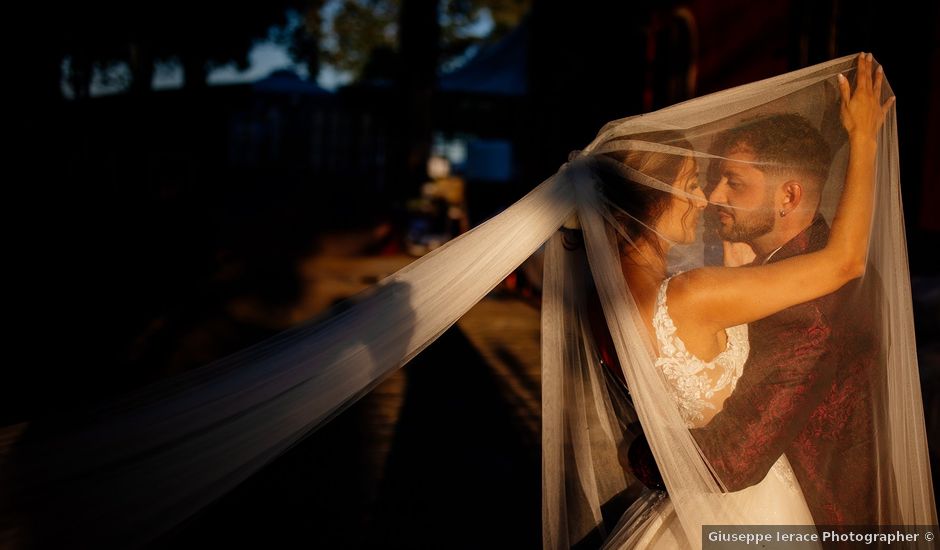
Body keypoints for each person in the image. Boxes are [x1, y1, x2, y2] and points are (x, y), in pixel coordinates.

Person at [1, 54, 934, 550]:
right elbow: (846, 260)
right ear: (667, 207)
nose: (713, 201)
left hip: (684, 503)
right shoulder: (705, 289)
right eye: (701, 187)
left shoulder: (636, 286)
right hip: (741, 515)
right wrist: (859, 136)